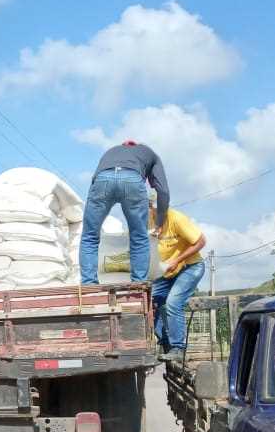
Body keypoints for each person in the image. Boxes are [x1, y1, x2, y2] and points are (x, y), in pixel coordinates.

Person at [80, 141, 170, 284]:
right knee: (139, 237)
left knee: (89, 236)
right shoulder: (150, 154)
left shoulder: (111, 151)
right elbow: (163, 191)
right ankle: (138, 284)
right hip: (132, 180)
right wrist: (159, 223)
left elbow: (94, 179)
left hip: (102, 180)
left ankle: (88, 285)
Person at [149, 190, 207, 362]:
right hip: (166, 270)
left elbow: (201, 241)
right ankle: (164, 342)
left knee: (173, 302)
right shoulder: (146, 221)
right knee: (150, 300)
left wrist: (178, 259)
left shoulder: (177, 219)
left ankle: (178, 348)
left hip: (190, 267)